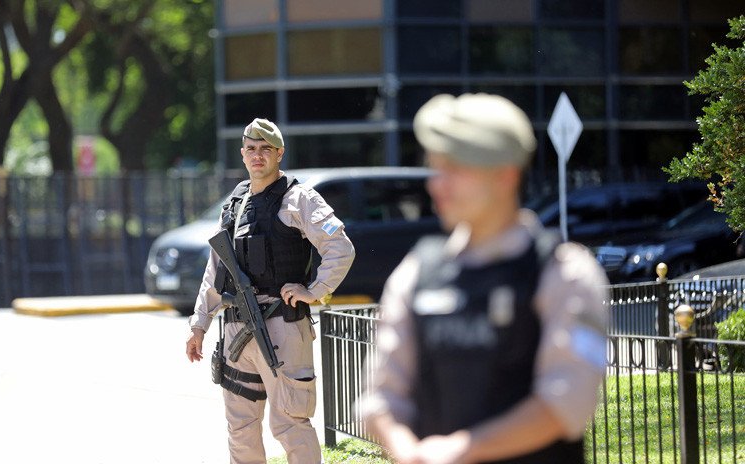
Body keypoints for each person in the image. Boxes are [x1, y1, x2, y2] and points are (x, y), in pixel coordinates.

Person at [360, 94, 609, 464]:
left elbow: (567, 404)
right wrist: (408, 452)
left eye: (455, 170)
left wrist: (463, 449)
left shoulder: (565, 274)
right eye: (436, 168)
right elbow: (380, 399)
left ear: (506, 175)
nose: (436, 185)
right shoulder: (417, 272)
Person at [185, 118, 355, 464]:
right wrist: (199, 324)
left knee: (290, 424)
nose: (257, 155)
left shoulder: (298, 198)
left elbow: (340, 247)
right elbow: (217, 269)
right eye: (251, 149)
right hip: (236, 328)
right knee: (240, 427)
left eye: (265, 149)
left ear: (280, 153)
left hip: (281, 326)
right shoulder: (234, 202)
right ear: (243, 154)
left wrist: (315, 290)